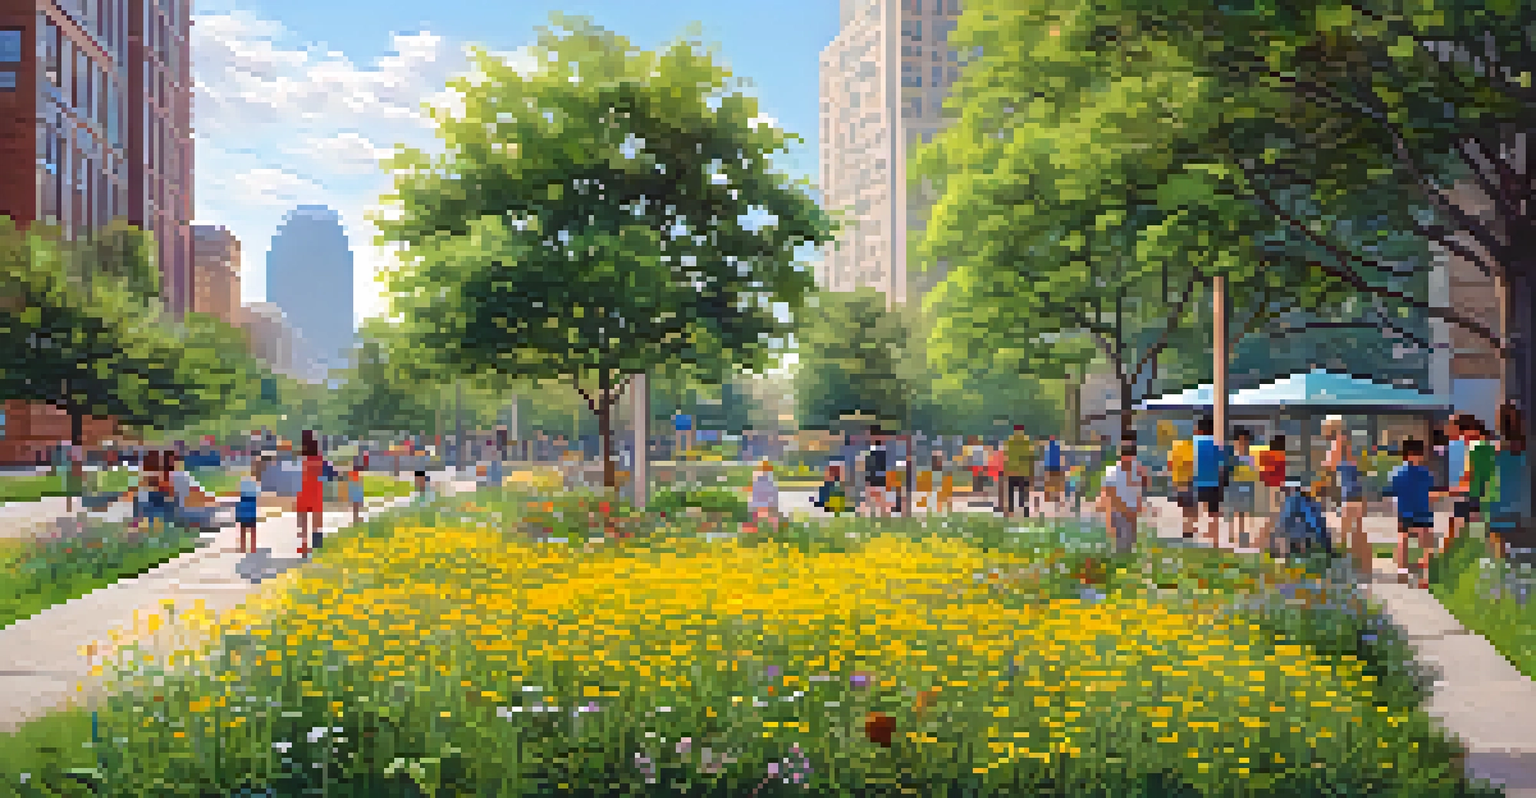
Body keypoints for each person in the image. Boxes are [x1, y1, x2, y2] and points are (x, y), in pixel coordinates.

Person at [1385, 438, 1440, 589]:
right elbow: (1432, 494)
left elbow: (1391, 494)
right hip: (1423, 512)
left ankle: (1402, 573)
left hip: (1405, 511)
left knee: (1403, 539)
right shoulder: (1426, 474)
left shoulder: (1396, 473)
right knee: (1426, 543)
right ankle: (1425, 577)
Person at [1321, 415, 1368, 573]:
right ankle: (1362, 565)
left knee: (1344, 532)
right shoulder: (1349, 442)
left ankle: (1343, 567)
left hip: (1348, 491)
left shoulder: (1338, 441)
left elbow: (1331, 465)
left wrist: (1326, 462)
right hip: (1357, 490)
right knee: (1357, 530)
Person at [1447, 414, 1495, 556]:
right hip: (1483, 494)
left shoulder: (1477, 448)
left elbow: (1471, 476)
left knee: (1460, 526)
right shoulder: (1487, 446)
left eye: (1454, 429)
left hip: (1475, 494)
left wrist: (1455, 489)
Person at [1487, 404, 1529, 560]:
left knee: (1500, 563)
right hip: (1524, 512)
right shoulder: (1527, 450)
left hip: (1498, 512)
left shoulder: (1491, 452)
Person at [1097, 442, 1146, 555]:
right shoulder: (1113, 472)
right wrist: (1126, 510)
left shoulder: (1135, 471)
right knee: (1119, 547)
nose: (1132, 459)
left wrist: (1137, 507)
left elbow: (1137, 491)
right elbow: (1110, 496)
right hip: (1118, 514)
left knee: (1129, 547)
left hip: (1131, 514)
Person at [1192, 417, 1224, 546]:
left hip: (1198, 481)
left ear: (1200, 429)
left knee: (1196, 509)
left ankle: (1196, 532)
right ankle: (1214, 536)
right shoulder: (1216, 444)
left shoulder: (1195, 443)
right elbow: (1221, 463)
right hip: (1214, 481)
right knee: (1214, 511)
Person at [295, 435, 327, 556]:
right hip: (316, 492)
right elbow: (326, 473)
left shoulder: (301, 459)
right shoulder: (319, 459)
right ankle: (316, 547)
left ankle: (304, 546)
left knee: (303, 521)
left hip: (303, 491)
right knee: (316, 521)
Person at [1227, 427, 1258, 549]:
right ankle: (1232, 532)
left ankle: (1241, 534)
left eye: (1245, 441)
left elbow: (1253, 474)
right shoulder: (1232, 456)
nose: (1243, 444)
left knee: (1243, 513)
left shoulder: (1251, 457)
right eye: (1240, 441)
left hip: (1246, 486)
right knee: (1234, 511)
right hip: (1235, 485)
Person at [1256, 435, 1287, 552]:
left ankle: (1264, 540)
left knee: (1273, 515)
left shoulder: (1266, 456)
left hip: (1268, 487)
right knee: (1275, 516)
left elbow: (1262, 473)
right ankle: (1262, 541)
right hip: (1277, 488)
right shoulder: (1280, 456)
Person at [1004, 425, 1035, 518]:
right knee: (1024, 492)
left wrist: (1006, 469)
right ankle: (1025, 511)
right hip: (1024, 470)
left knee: (1011, 492)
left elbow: (1006, 456)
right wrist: (1032, 471)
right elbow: (1031, 457)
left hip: (1012, 470)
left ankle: (1011, 511)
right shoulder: (1027, 441)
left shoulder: (1010, 441)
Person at [1169, 435, 1197, 539]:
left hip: (1178, 481)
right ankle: (1188, 529)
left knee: (1186, 508)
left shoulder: (1175, 447)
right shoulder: (1191, 449)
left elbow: (1170, 464)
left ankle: (1187, 529)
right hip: (1189, 481)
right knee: (1190, 508)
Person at [749, 460, 780, 530]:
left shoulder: (765, 481)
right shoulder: (766, 481)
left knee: (765, 520)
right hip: (764, 505)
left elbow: (772, 494)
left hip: (764, 505)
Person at [236, 474, 260, 554]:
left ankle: (243, 547)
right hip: (251, 507)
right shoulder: (254, 485)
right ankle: (252, 548)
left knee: (243, 529)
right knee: (252, 529)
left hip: (244, 507)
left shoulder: (243, 486)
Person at [1042, 435, 1064, 511]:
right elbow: (1060, 458)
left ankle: (1048, 499)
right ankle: (1056, 498)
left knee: (1049, 484)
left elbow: (1046, 458)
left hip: (1050, 468)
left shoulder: (1047, 447)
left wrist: (1045, 469)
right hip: (1057, 468)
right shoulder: (1057, 447)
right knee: (1056, 484)